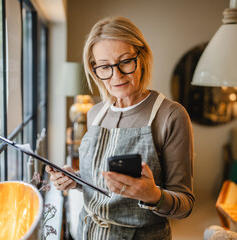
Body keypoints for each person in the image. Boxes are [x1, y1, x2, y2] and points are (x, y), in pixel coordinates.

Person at [46, 16, 195, 240]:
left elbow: (185, 205)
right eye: (105, 66)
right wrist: (75, 180)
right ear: (94, 68)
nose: (116, 76)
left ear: (141, 57)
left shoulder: (170, 115)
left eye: (125, 61)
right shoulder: (95, 114)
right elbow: (101, 184)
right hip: (87, 232)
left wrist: (153, 195)